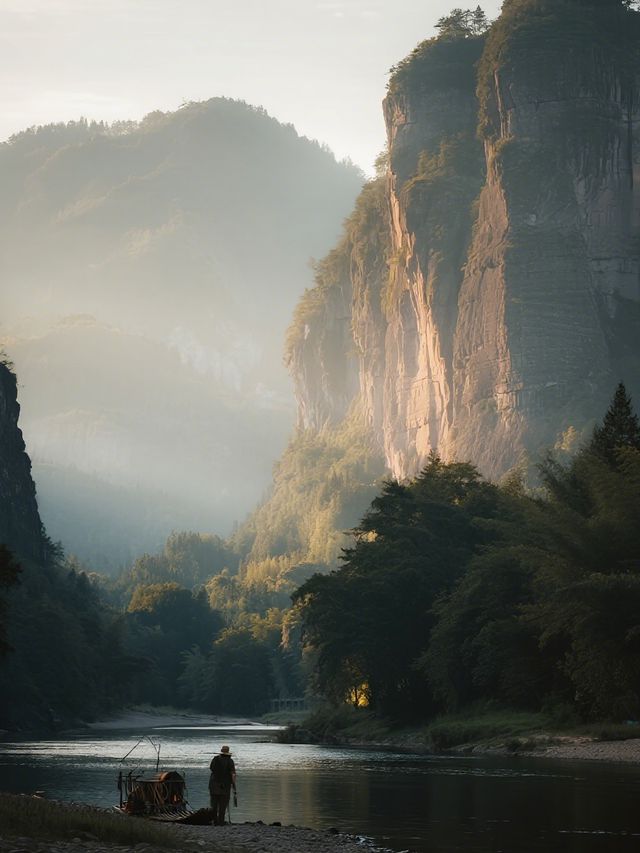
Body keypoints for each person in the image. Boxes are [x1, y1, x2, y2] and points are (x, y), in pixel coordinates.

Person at [209, 745, 236, 826]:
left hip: (213, 785)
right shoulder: (230, 761)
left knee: (214, 805)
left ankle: (214, 821)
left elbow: (211, 768)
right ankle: (221, 822)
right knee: (223, 805)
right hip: (225, 786)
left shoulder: (215, 759)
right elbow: (233, 774)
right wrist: (234, 785)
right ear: (228, 752)